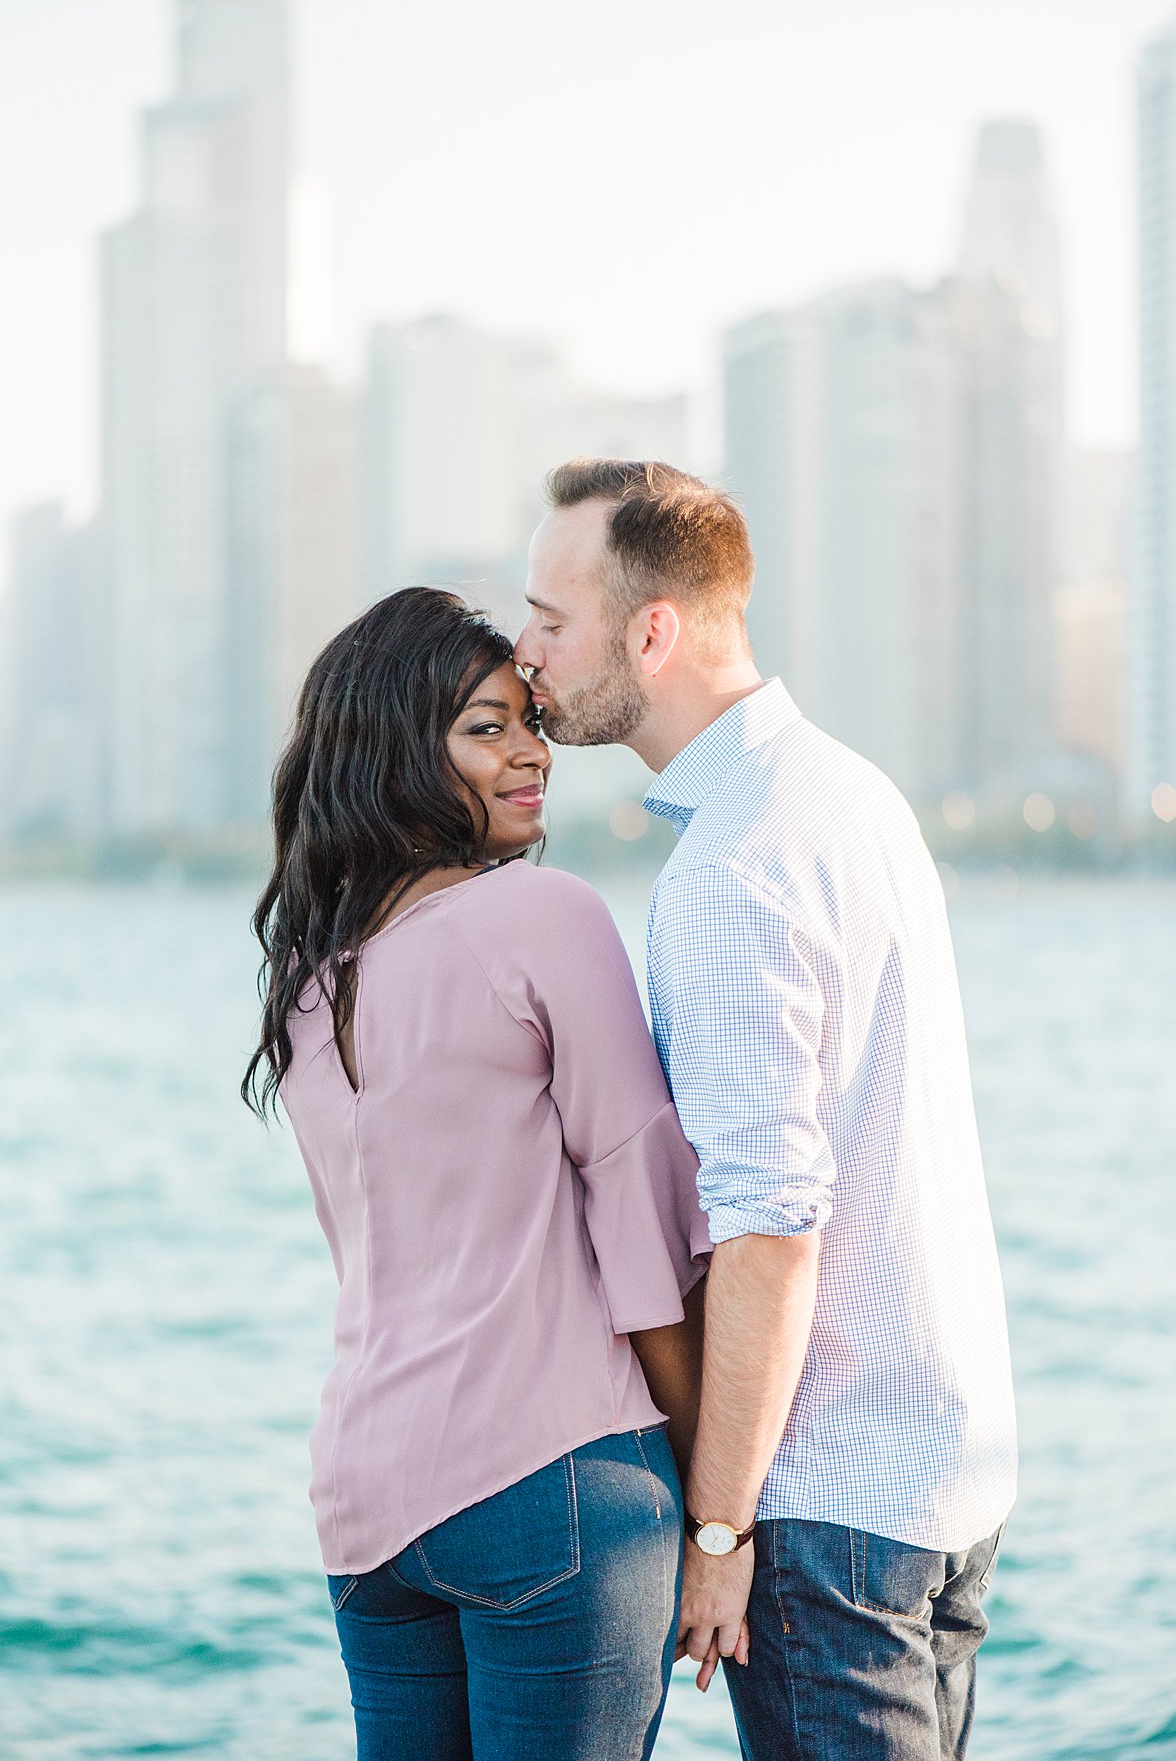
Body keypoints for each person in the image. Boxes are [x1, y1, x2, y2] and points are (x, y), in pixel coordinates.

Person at [514, 460, 1019, 1760]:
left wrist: (723, 1531)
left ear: (654, 629)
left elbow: (771, 1229)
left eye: (549, 619)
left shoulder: (735, 866)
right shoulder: (850, 795)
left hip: (827, 1511)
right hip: (947, 1474)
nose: (526, 655)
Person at [242, 586, 714, 1761]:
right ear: (404, 753)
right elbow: (642, 1220)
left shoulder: (311, 983)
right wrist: (723, 1503)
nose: (528, 756)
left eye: (529, 725)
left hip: (367, 1513)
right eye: (484, 728)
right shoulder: (541, 916)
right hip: (552, 1484)